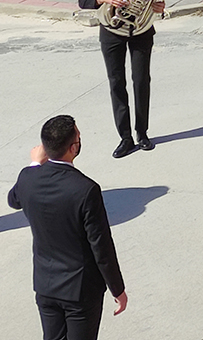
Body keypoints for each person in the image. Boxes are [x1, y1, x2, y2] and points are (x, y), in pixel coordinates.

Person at [8, 115, 128, 340]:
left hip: (46, 286)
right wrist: (117, 289)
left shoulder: (28, 177)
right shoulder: (86, 190)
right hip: (80, 292)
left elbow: (13, 200)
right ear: (73, 148)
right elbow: (101, 247)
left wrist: (35, 164)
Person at [78, 0, 165, 158]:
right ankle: (125, 138)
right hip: (111, 30)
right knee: (117, 83)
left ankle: (142, 133)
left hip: (140, 30)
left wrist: (157, 6)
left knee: (141, 81)